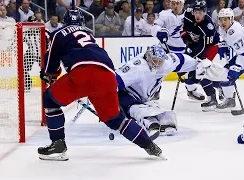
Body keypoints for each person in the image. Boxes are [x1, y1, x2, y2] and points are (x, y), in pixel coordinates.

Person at [38, 9, 164, 161]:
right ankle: (150, 146)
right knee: (116, 120)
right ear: (81, 23)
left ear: (65, 22)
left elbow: (52, 63)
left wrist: (48, 74)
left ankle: (58, 145)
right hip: (108, 75)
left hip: (83, 74)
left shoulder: (59, 33)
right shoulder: (89, 34)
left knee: (49, 100)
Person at [116, 45, 200, 140]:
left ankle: (159, 122)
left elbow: (181, 59)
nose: (157, 64)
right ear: (148, 57)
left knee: (166, 119)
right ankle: (150, 123)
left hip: (143, 99)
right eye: (155, 60)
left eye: (160, 61)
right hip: (125, 95)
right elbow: (115, 81)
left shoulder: (165, 64)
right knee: (136, 108)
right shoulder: (136, 66)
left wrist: (199, 64)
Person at [215, 8, 244, 144]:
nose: (223, 22)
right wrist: (224, 46)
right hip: (243, 54)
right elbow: (224, 39)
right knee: (224, 76)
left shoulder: (236, 32)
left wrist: (236, 68)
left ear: (231, 19)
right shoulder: (224, 28)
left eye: (225, 19)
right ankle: (230, 99)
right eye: (221, 19)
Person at [154, 0, 205, 101]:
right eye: (173, 3)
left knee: (190, 71)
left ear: (182, 4)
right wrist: (159, 31)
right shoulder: (164, 14)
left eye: (178, 3)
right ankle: (155, 90)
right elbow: (155, 26)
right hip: (166, 48)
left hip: (184, 49)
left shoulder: (189, 15)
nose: (175, 6)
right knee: (158, 70)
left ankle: (191, 90)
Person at [180, 0, 222, 111]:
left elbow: (202, 48)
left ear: (205, 12)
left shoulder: (207, 27)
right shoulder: (188, 14)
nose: (197, 15)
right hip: (196, 44)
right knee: (191, 78)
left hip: (210, 47)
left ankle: (213, 98)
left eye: (200, 13)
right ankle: (221, 85)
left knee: (201, 70)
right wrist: (187, 40)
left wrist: (187, 60)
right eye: (196, 12)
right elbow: (184, 31)